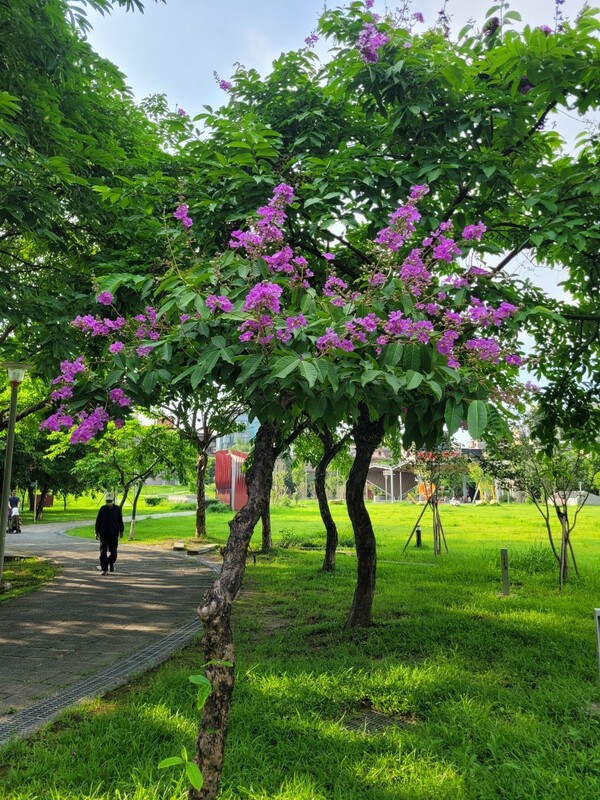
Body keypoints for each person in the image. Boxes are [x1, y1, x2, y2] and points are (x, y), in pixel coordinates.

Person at [95, 492, 124, 575]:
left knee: (114, 553)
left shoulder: (117, 509)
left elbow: (120, 521)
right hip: (103, 534)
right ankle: (104, 569)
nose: (108, 502)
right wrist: (96, 532)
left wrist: (121, 531)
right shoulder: (102, 509)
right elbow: (98, 521)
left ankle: (110, 563)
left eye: (110, 501)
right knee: (103, 552)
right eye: (107, 501)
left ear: (113, 500)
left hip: (114, 534)